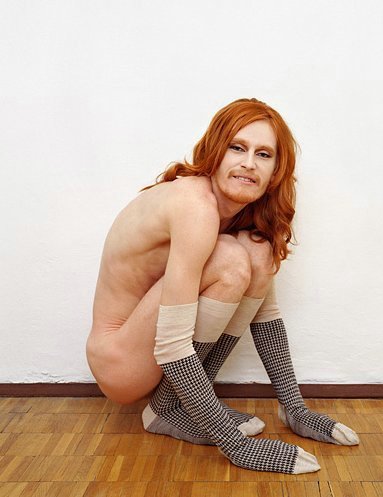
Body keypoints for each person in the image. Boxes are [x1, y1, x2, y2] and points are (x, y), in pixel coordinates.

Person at [86, 98, 359, 475]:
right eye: (237, 147)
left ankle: (180, 405)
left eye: (263, 154)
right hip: (120, 362)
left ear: (275, 171)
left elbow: (265, 314)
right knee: (230, 258)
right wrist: (237, 445)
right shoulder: (195, 206)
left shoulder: (237, 215)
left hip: (154, 351)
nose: (249, 163)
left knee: (258, 252)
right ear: (215, 152)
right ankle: (165, 409)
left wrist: (294, 407)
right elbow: (171, 344)